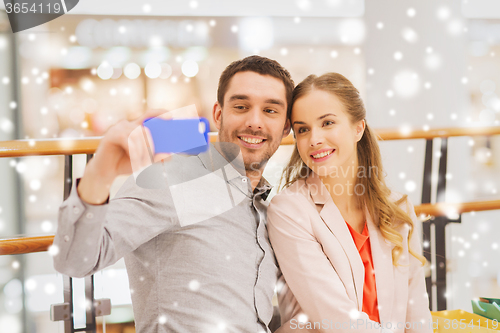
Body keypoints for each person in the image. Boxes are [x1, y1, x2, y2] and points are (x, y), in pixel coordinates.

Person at [52, 55, 293, 333]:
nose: (255, 121)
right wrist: (101, 171)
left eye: (270, 111)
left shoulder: (265, 208)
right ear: (218, 114)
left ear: (285, 127)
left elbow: (244, 313)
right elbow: (74, 260)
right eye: (241, 106)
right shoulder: (172, 175)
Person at [267, 73, 432, 333]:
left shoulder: (396, 208)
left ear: (358, 128)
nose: (314, 139)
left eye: (328, 123)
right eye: (303, 129)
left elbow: (417, 313)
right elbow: (337, 320)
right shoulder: (289, 210)